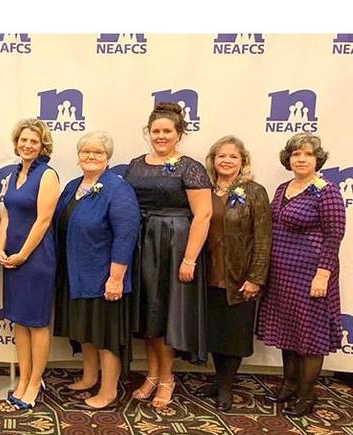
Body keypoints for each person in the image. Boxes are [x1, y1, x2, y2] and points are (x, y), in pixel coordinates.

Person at [123, 102, 212, 408]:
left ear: (179, 134)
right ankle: (150, 374)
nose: (161, 136)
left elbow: (203, 215)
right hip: (141, 244)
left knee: (166, 313)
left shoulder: (191, 167)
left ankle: (167, 378)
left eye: (167, 131)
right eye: (156, 131)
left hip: (174, 246)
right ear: (149, 133)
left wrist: (190, 259)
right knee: (147, 313)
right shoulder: (135, 164)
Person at [256, 133, 346, 417]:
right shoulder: (283, 188)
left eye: (307, 154)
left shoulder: (327, 190)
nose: (301, 159)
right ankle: (289, 386)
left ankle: (307, 395)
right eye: (296, 154)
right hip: (282, 273)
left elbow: (334, 236)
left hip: (311, 273)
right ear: (289, 159)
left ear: (317, 159)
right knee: (289, 331)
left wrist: (323, 275)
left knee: (310, 336)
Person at [53, 131, 140, 410]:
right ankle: (89, 377)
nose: (91, 156)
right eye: (86, 152)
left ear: (108, 158)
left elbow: (126, 235)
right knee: (86, 331)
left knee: (106, 335)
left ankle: (109, 391)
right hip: (76, 274)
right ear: (78, 157)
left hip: (104, 276)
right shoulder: (72, 186)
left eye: (98, 152)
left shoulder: (117, 188)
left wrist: (116, 278)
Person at [197, 136, 272, 411]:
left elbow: (264, 238)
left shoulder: (254, 191)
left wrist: (256, 278)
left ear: (243, 162)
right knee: (216, 332)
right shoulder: (203, 189)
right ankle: (219, 380)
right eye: (221, 156)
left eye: (233, 157)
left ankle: (227, 387)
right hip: (208, 273)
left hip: (240, 276)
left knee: (235, 334)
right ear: (213, 160)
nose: (226, 161)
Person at [0, 119, 59, 409]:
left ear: (42, 145)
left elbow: (44, 220)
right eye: (23, 140)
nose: (27, 145)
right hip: (12, 257)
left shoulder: (48, 175)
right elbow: (6, 215)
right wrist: (0, 246)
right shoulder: (12, 173)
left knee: (36, 323)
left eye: (33, 141)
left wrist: (23, 253)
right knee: (19, 321)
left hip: (36, 257)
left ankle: (35, 381)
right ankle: (22, 378)